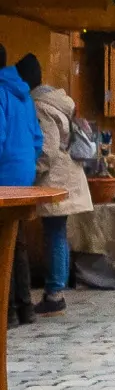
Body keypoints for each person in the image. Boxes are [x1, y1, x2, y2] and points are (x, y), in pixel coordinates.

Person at [15, 53, 93, 318]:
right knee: (58, 233)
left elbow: (46, 149)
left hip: (56, 177)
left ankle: (54, 294)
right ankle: (57, 287)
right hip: (69, 173)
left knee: (55, 233)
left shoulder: (39, 106)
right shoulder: (59, 100)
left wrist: (30, 173)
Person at [0, 44, 42, 328]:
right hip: (25, 170)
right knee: (19, 240)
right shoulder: (25, 95)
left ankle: (8, 310)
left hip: (3, 172)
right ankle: (25, 306)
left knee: (3, 241)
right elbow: (38, 138)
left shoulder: (1, 91)